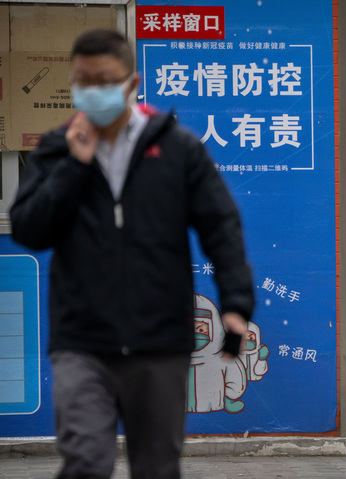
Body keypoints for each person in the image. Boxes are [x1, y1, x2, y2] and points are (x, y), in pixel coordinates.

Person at [10, 29, 254, 478]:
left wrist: (237, 305)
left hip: (160, 339)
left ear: (132, 83)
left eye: (105, 80)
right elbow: (28, 228)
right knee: (84, 461)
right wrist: (74, 167)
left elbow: (221, 225)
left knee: (157, 467)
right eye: (83, 81)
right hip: (82, 339)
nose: (93, 90)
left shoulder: (178, 148)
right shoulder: (55, 147)